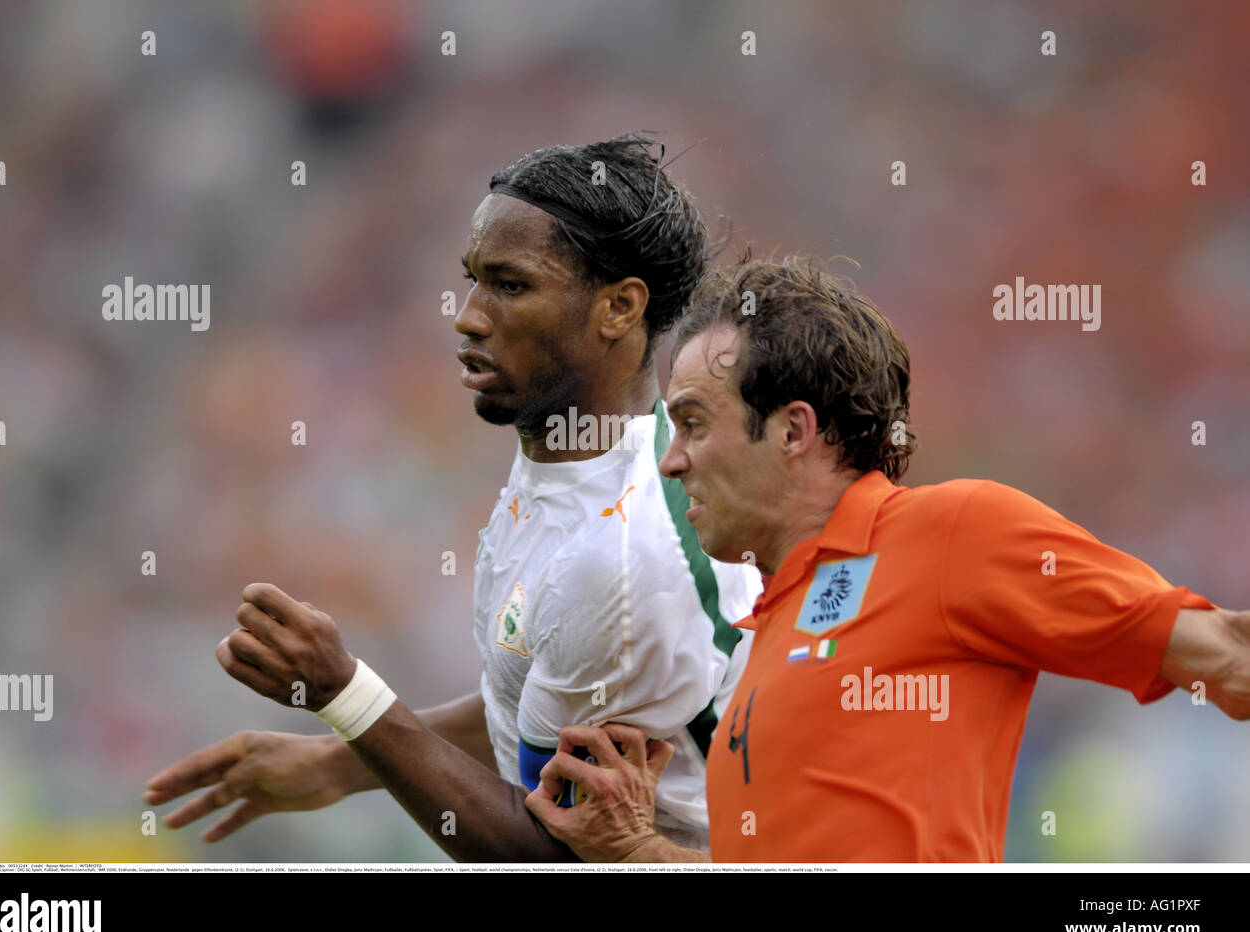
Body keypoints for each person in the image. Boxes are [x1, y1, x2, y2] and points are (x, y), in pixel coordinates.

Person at [143, 135, 760, 860]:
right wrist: (337, 764)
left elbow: (543, 856)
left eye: (510, 285)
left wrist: (348, 696)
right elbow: (533, 696)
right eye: (472, 279)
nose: (467, 315)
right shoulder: (588, 460)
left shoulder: (617, 559)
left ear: (620, 307)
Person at [523, 256, 1249, 862]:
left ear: (792, 429)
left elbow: (1225, 656)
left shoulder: (953, 531)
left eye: (691, 422)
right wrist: (637, 846)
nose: (671, 461)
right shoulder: (764, 629)